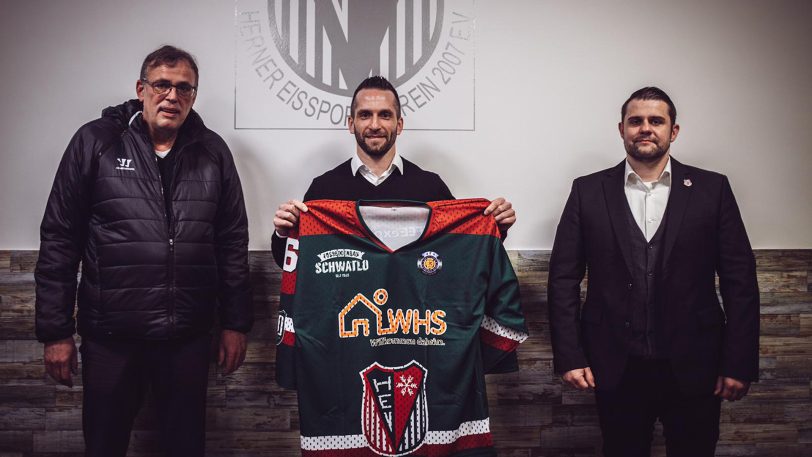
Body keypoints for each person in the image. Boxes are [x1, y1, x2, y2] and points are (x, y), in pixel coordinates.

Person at [35, 45, 252, 457]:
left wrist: (236, 324)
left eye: (184, 89)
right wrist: (55, 331)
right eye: (162, 85)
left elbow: (231, 241)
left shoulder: (213, 152)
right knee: (104, 445)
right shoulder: (94, 142)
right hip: (111, 338)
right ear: (141, 88)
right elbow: (60, 239)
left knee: (185, 448)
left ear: (193, 96)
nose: (172, 96)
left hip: (186, 338)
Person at [547, 87, 759, 457]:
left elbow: (740, 280)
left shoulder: (712, 189)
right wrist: (570, 355)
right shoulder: (587, 191)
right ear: (621, 129)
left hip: (697, 364)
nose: (645, 128)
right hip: (615, 364)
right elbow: (563, 278)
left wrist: (738, 362)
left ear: (673, 131)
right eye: (636, 121)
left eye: (656, 121)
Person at [270, 76, 516, 268]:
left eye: (385, 115)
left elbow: (462, 253)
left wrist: (496, 227)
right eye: (365, 115)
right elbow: (291, 262)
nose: (375, 125)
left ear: (399, 125)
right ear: (351, 124)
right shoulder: (323, 189)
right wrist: (283, 232)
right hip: (343, 329)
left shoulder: (430, 187)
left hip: (412, 326)